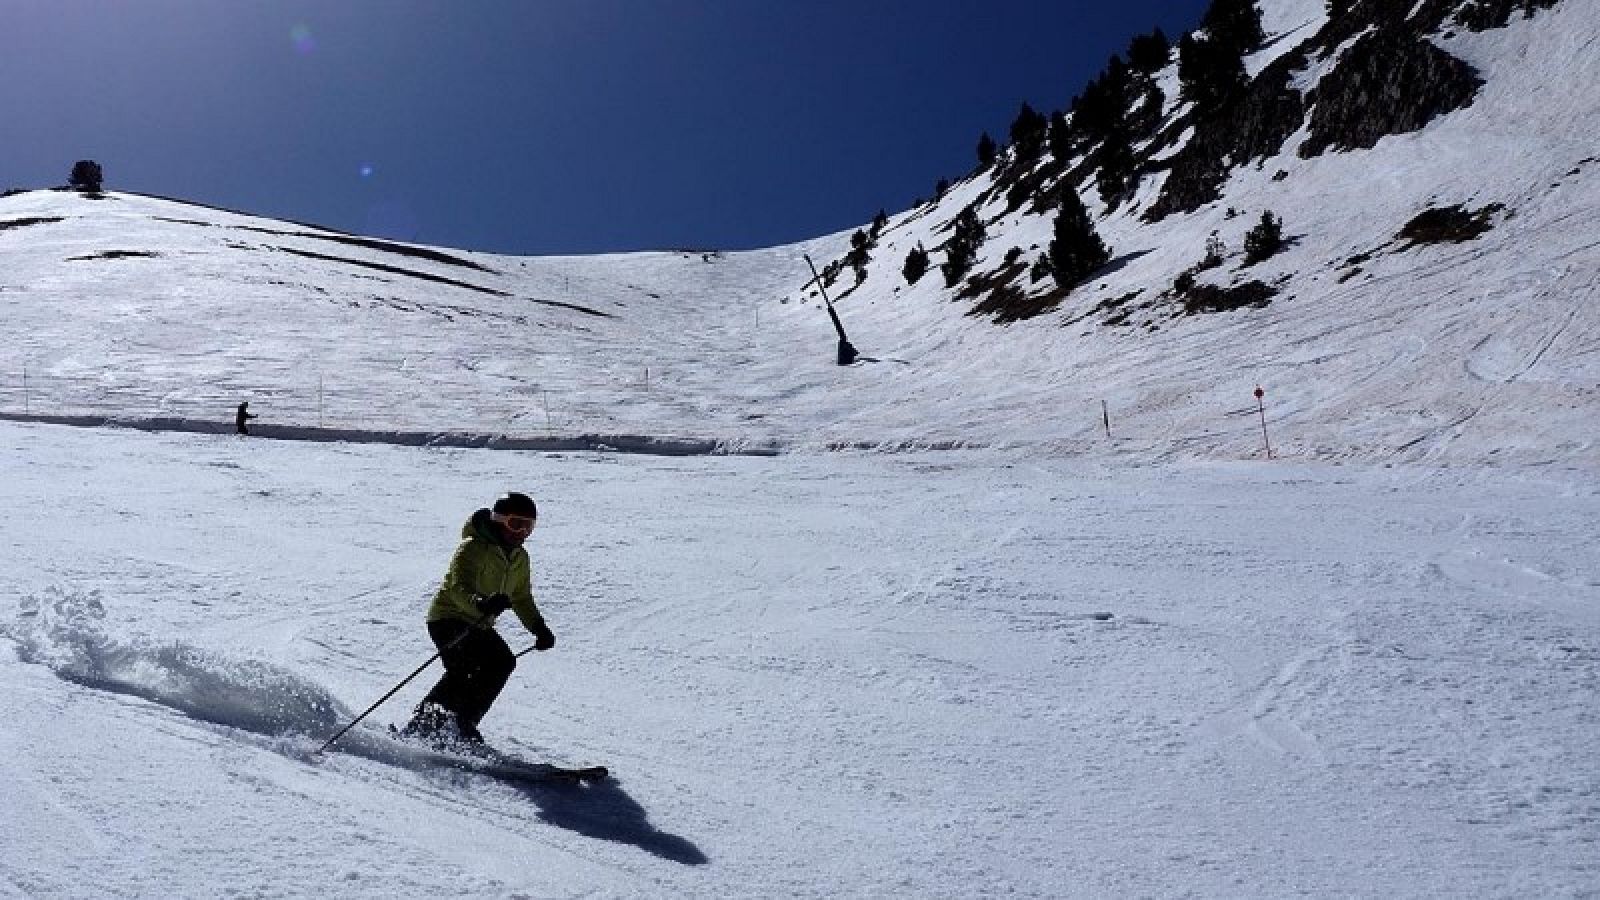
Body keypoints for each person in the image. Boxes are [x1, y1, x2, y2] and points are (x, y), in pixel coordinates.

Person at [403, 491, 555, 750]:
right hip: (448, 617)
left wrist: (538, 628)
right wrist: (481, 603)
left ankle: (463, 723)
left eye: (528, 527)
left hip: (478, 623)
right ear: (498, 520)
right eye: (516, 524)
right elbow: (456, 587)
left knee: (502, 662)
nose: (521, 532)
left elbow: (520, 597)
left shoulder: (520, 558)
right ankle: (423, 726)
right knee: (463, 670)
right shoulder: (472, 547)